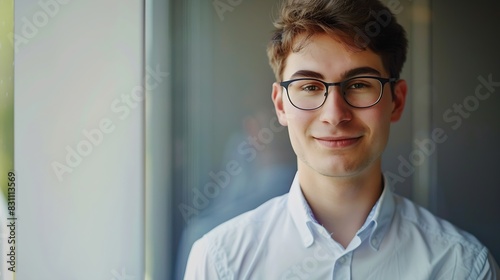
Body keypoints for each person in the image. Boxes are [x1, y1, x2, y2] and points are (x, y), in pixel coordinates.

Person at [184, 0, 500, 279]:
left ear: (397, 101)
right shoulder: (220, 262)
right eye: (309, 87)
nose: (335, 114)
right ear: (280, 104)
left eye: (360, 84)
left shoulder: (461, 266)